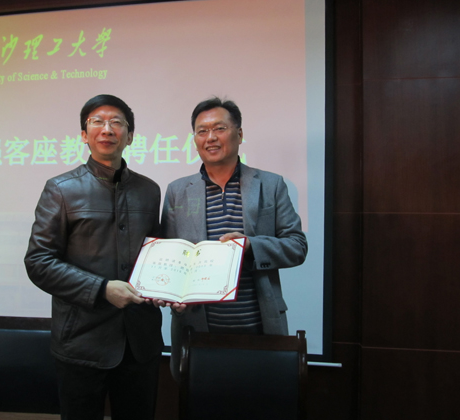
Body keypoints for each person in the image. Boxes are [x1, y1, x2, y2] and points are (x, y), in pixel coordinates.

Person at [24, 94, 163, 420]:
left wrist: (170, 287)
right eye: (97, 122)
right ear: (84, 135)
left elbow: (156, 255)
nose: (107, 129)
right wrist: (101, 289)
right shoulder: (61, 189)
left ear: (130, 136)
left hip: (140, 342)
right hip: (82, 342)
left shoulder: (149, 190)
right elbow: (39, 262)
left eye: (117, 122)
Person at [159, 97, 308, 381]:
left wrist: (252, 246)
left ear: (239, 134)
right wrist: (170, 292)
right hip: (197, 331)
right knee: (200, 399)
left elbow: (297, 246)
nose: (210, 137)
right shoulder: (177, 190)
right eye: (202, 131)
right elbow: (169, 255)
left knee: (261, 399)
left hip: (259, 328)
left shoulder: (271, 184)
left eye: (219, 128)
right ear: (195, 140)